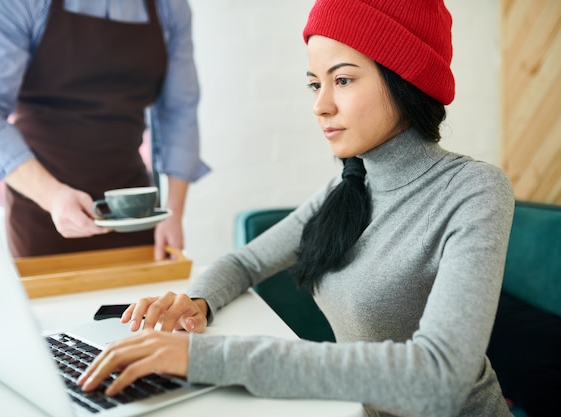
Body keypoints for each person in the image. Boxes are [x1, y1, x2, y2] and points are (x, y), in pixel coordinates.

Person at [76, 0, 516, 416]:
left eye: (342, 80)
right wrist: (196, 302)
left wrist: (207, 357)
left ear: (405, 77)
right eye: (314, 83)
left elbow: (441, 375)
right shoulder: (348, 188)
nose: (320, 105)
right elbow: (245, 262)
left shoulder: (475, 190)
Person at [0, 0, 210, 259]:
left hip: (132, 212)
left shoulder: (170, 7)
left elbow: (180, 111)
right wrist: (52, 196)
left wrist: (173, 212)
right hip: (43, 211)